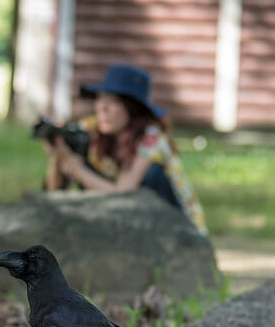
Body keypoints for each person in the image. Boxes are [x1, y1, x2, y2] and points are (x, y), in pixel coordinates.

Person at [43, 63, 207, 234]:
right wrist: (59, 153)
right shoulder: (92, 129)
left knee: (153, 174)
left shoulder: (152, 137)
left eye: (113, 102)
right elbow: (53, 191)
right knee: (88, 166)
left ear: (132, 109)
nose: (102, 108)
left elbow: (122, 193)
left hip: (179, 227)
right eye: (100, 98)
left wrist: (74, 165)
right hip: (132, 221)